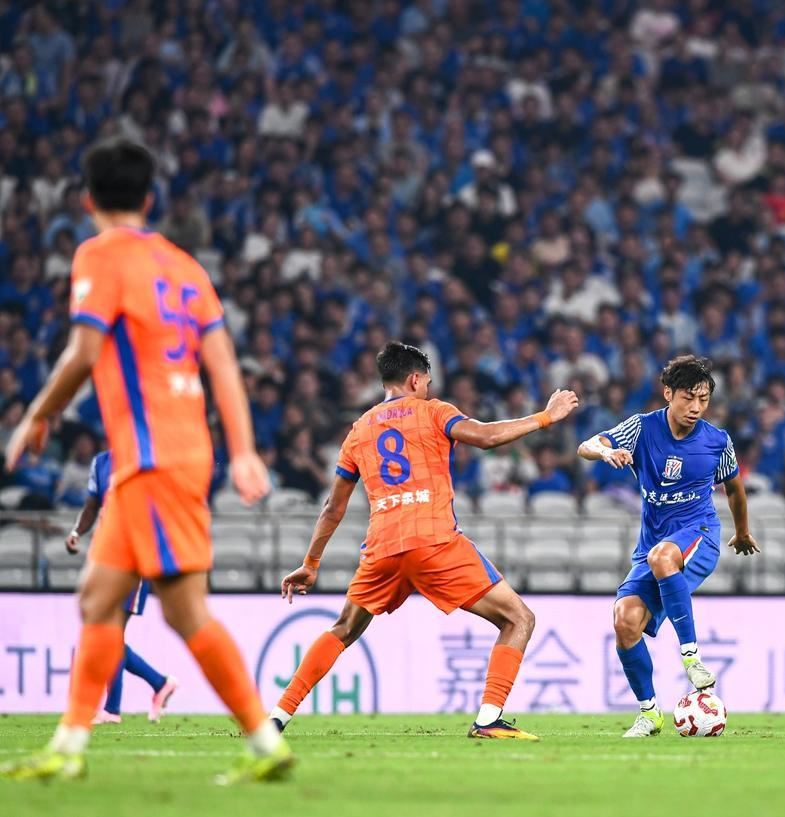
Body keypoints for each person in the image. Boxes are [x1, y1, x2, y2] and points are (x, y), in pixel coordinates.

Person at [0, 137, 286, 784]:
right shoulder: (186, 267)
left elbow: (82, 351)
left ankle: (262, 740)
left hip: (153, 458)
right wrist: (241, 449)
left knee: (184, 612)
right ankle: (69, 745)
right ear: (150, 199)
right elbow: (223, 366)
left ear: (86, 200)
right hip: (173, 454)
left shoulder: (100, 255)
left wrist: (37, 414)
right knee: (99, 598)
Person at [271, 342, 579, 740]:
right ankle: (488, 718)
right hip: (434, 541)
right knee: (518, 619)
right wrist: (545, 417)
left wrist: (310, 563)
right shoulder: (433, 411)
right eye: (428, 382)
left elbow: (333, 506)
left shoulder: (359, 429)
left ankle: (277, 716)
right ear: (415, 379)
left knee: (344, 628)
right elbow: (485, 437)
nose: (428, 389)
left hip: (382, 547)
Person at [577, 356, 759, 737]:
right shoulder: (642, 429)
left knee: (663, 557)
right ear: (668, 394)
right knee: (624, 619)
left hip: (699, 535)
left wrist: (742, 532)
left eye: (703, 399)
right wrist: (607, 452)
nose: (696, 407)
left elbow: (735, 490)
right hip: (652, 545)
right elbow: (587, 446)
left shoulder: (717, 441)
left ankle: (691, 657)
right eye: (688, 397)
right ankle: (649, 713)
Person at [66, 450, 178, 724]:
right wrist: (76, 532)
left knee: (110, 634)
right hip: (108, 560)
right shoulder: (101, 463)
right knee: (108, 634)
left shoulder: (144, 459)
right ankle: (158, 684)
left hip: (135, 560)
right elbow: (92, 505)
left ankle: (114, 708)